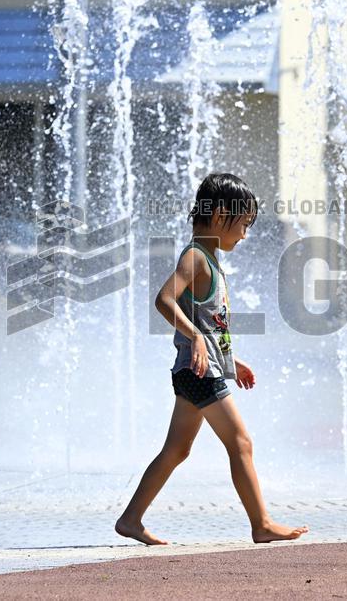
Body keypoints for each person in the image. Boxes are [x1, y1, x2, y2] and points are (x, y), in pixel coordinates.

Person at [115, 172, 309, 546]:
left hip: (199, 369)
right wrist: (197, 338)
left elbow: (210, 323)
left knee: (176, 449)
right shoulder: (196, 258)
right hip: (198, 372)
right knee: (241, 442)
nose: (245, 235)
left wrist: (230, 362)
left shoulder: (211, 261)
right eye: (243, 225)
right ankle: (262, 524)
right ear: (220, 215)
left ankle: (131, 518)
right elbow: (163, 299)